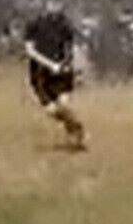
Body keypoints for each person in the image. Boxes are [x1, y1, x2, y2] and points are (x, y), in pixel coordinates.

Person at [22, 9, 87, 151]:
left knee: (64, 105)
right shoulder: (35, 24)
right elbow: (30, 50)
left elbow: (71, 48)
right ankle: (74, 129)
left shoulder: (64, 24)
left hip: (61, 73)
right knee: (52, 111)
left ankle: (77, 134)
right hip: (40, 75)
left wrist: (71, 66)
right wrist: (50, 64)